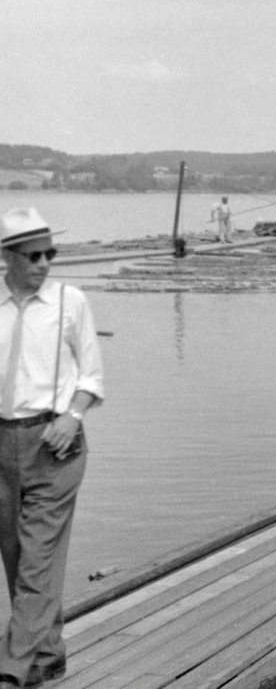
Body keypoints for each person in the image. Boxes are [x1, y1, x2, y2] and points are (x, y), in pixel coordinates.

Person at [0, 207, 103, 687]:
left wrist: (73, 414)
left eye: (50, 254)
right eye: (33, 255)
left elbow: (92, 377)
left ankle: (11, 672)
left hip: (55, 444)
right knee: (18, 557)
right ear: (8, 258)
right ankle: (47, 657)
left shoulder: (70, 302)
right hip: (1, 443)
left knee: (38, 559)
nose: (44, 263)